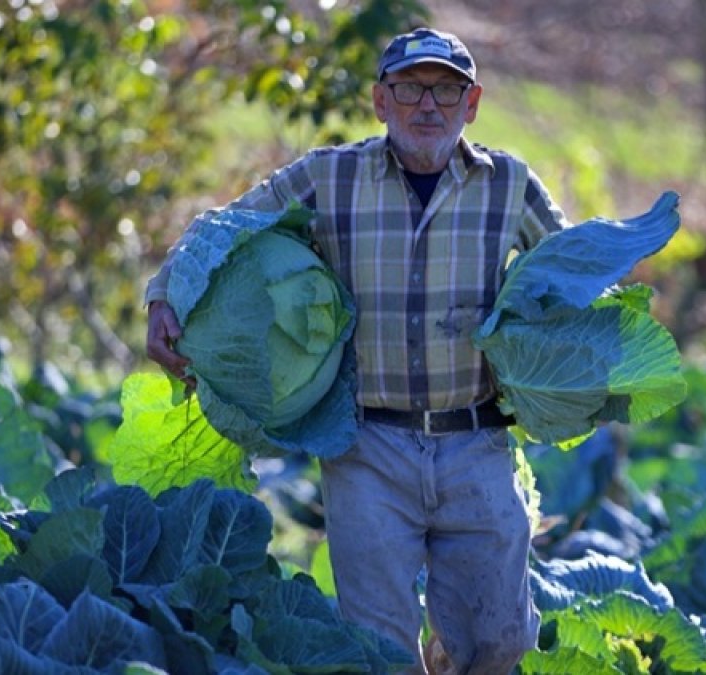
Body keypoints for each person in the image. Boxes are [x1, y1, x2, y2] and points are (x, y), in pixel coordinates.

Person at [144, 27, 571, 674]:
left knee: (500, 640)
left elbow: (575, 270)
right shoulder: (329, 176)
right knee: (377, 650)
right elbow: (225, 225)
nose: (428, 106)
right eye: (409, 88)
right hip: (368, 447)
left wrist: (581, 352)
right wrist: (164, 294)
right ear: (379, 101)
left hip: (477, 444)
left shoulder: (510, 185)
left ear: (473, 103)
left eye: (447, 90)